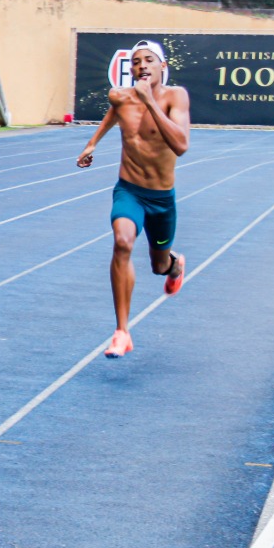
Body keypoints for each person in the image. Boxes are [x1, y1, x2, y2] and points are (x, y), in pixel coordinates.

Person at [76, 39, 190, 358]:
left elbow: (181, 145)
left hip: (161, 199)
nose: (141, 66)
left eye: (149, 60)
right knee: (122, 242)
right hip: (130, 190)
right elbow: (114, 114)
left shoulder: (175, 97)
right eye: (135, 62)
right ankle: (122, 332)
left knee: (158, 265)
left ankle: (174, 265)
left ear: (162, 67)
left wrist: (149, 101)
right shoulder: (120, 96)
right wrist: (91, 144)